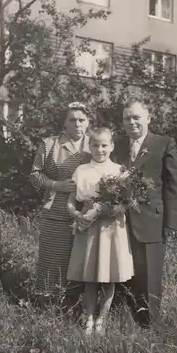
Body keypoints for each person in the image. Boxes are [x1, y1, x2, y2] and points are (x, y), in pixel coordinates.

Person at [111, 98, 177, 327]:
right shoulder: (117, 146)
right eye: (127, 118)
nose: (131, 122)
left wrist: (171, 223)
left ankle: (149, 325)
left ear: (148, 118)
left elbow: (175, 183)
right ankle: (122, 319)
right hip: (120, 220)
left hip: (151, 220)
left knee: (149, 276)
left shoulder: (163, 143)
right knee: (123, 271)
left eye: (136, 117)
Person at [66, 127, 134, 336]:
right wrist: (76, 215)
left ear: (112, 146)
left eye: (104, 145)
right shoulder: (82, 170)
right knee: (90, 276)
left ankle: (101, 320)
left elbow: (127, 202)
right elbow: (70, 201)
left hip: (111, 227)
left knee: (108, 275)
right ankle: (88, 318)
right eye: (95, 145)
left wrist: (113, 208)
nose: (100, 149)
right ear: (89, 146)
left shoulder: (120, 171)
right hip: (87, 225)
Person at [30, 102, 91, 312]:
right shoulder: (50, 144)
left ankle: (75, 308)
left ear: (88, 122)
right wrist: (56, 185)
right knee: (51, 260)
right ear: (65, 122)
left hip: (87, 214)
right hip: (55, 211)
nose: (77, 124)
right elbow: (35, 175)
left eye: (81, 120)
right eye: (72, 119)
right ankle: (46, 309)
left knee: (80, 262)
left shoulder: (96, 145)